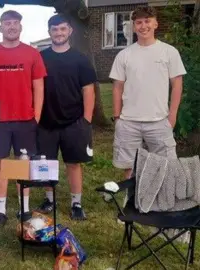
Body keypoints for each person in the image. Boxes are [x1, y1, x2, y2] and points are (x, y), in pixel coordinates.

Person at [0, 10, 47, 227]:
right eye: (7, 23)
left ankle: (24, 210)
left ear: (21, 27)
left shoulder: (32, 54)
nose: (12, 26)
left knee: (23, 165)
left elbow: (39, 87)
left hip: (25, 120)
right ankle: (1, 210)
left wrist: (36, 116)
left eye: (15, 23)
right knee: (1, 165)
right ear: (1, 27)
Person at [109, 6, 186, 179]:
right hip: (128, 122)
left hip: (159, 121)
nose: (143, 26)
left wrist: (172, 116)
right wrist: (117, 117)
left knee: (165, 167)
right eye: (139, 22)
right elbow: (117, 87)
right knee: (129, 168)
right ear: (134, 26)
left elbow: (177, 85)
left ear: (155, 23)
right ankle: (131, 202)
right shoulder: (124, 55)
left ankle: (161, 204)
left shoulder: (169, 52)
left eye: (147, 21)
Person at [35, 15, 96, 221]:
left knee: (73, 163)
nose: (58, 33)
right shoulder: (41, 58)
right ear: (49, 32)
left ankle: (76, 203)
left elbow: (88, 90)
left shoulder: (81, 59)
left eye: (62, 29)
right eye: (54, 29)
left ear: (70, 31)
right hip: (46, 121)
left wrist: (86, 120)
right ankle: (49, 199)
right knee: (46, 164)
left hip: (74, 121)